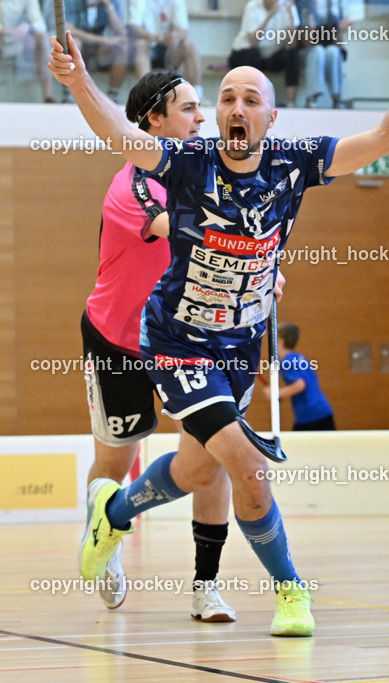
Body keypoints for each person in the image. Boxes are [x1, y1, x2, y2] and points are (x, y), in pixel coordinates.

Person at [49, 26, 389, 637]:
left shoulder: (296, 163)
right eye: (226, 98)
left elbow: (386, 137)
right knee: (248, 468)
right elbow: (119, 135)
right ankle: (291, 590)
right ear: (218, 113)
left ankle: (116, 511)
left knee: (195, 471)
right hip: (175, 340)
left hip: (237, 345)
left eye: (250, 99)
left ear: (270, 115)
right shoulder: (187, 162)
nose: (236, 108)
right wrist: (78, 79)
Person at [81, 69, 237, 622]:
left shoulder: (209, 173)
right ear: (154, 120)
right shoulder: (134, 188)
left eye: (202, 108)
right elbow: (187, 230)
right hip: (118, 341)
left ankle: (205, 586)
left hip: (185, 340)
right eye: (191, 109)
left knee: (213, 459)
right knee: (116, 459)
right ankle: (106, 530)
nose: (203, 119)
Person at [228, 0, 301, 108]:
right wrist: (270, 16)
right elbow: (254, 42)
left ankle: (291, 102)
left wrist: (290, 16)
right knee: (254, 54)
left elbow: (293, 44)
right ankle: (253, 102)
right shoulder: (252, 6)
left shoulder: (287, 7)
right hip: (245, 53)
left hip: (268, 56)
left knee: (293, 55)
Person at [126, 0, 202, 101]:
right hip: (147, 45)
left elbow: (183, 29)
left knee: (188, 45)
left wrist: (174, 37)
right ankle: (146, 97)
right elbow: (134, 27)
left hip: (169, 50)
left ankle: (197, 95)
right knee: (141, 44)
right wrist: (156, 37)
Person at [265, 322, 335, 430]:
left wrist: (277, 393)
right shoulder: (298, 357)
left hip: (310, 415)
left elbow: (300, 385)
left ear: (280, 342)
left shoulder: (286, 362)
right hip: (323, 410)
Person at [296, 0, 350, 108]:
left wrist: (340, 29)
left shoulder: (335, 6)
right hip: (308, 51)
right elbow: (305, 42)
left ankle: (336, 96)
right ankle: (312, 97)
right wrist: (309, 28)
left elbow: (339, 45)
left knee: (333, 51)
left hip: (329, 53)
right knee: (318, 51)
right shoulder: (304, 4)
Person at [0, 0, 54, 101]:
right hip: (3, 38)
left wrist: (28, 28)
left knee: (42, 37)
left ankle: (47, 97)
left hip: (21, 40)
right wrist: (11, 31)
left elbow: (40, 24)